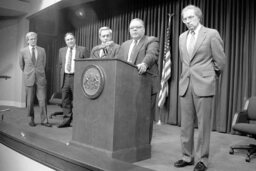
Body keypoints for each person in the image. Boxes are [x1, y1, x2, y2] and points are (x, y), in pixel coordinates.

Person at [174, 5, 226, 171]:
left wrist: (209, 78)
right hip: (186, 84)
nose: (187, 21)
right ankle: (187, 156)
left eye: (191, 17)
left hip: (204, 84)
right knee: (186, 124)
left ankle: (202, 160)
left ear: (198, 17)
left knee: (203, 125)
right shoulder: (182, 37)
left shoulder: (211, 34)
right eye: (185, 18)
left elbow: (220, 62)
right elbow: (184, 61)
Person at [117, 18, 160, 143]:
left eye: (138, 27)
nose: (134, 29)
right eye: (132, 28)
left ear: (144, 28)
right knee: (128, 116)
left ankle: (144, 145)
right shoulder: (125, 45)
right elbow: (118, 62)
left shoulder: (151, 40)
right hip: (127, 86)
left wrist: (145, 64)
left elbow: (151, 54)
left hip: (145, 84)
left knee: (144, 117)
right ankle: (129, 142)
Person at [19, 32, 51, 127]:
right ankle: (31, 119)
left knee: (43, 100)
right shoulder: (23, 51)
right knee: (29, 101)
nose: (34, 40)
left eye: (35, 38)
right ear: (27, 40)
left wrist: (39, 72)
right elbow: (22, 65)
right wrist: (29, 73)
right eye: (31, 39)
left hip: (40, 78)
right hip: (29, 78)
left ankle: (44, 121)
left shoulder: (42, 50)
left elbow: (44, 64)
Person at [58, 32, 89, 128]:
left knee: (78, 101)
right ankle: (66, 120)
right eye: (67, 40)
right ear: (65, 41)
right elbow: (60, 65)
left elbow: (87, 65)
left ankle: (78, 122)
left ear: (74, 39)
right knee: (65, 100)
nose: (70, 41)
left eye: (71, 39)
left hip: (77, 77)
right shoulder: (62, 50)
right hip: (65, 77)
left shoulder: (82, 49)